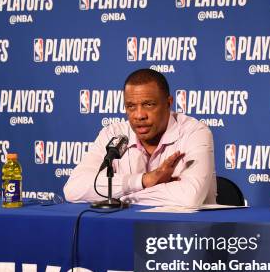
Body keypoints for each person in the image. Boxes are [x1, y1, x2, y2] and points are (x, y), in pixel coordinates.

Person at [63, 69, 216, 206]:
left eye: (148, 104)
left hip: (183, 233)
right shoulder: (113, 134)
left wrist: (120, 197)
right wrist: (144, 180)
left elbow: (189, 197)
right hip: (126, 230)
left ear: (168, 103)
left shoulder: (194, 132)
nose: (139, 115)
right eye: (131, 106)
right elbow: (73, 189)